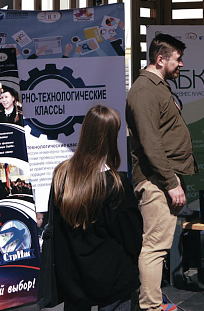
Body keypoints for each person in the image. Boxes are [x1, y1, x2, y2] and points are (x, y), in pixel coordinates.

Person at [125, 33, 197, 311]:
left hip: (164, 179)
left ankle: (152, 302)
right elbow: (150, 142)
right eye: (178, 59)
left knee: (157, 246)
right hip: (156, 182)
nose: (182, 64)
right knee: (154, 247)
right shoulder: (144, 91)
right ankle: (151, 307)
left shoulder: (157, 86)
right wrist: (170, 182)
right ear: (160, 59)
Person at [49, 105, 142, 311]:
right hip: (112, 281)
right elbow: (132, 238)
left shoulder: (61, 176)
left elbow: (58, 233)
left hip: (73, 281)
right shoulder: (116, 184)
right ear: (110, 138)